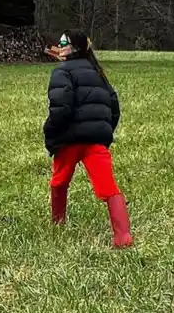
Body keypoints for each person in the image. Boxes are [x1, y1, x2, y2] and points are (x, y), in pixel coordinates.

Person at [43, 31, 133, 248]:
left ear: (73, 48)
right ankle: (123, 236)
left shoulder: (62, 72)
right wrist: (103, 131)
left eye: (63, 42)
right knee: (108, 187)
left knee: (59, 180)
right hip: (96, 140)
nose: (59, 45)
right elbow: (114, 107)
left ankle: (58, 222)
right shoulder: (99, 72)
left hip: (69, 140)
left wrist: (50, 132)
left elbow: (60, 108)